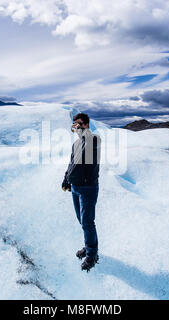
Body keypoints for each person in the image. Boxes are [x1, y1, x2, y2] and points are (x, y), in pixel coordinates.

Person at [62, 113, 101, 272]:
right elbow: (71, 163)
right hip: (76, 187)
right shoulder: (76, 144)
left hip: (88, 188)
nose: (75, 127)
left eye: (78, 124)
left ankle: (92, 255)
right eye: (74, 124)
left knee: (87, 221)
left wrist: (82, 131)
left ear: (85, 125)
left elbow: (90, 144)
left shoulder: (94, 140)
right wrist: (66, 179)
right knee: (82, 220)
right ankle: (89, 245)